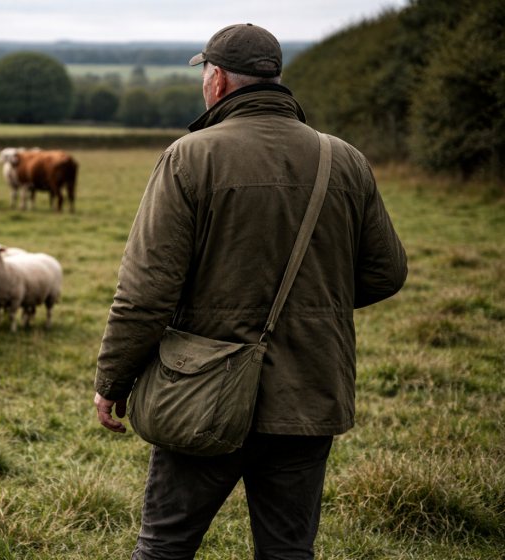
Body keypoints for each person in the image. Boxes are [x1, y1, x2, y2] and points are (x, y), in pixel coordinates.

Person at [92, 23, 407, 560]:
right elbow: (387, 272)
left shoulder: (190, 157)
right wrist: (316, 303)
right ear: (275, 80)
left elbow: (146, 291)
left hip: (202, 391)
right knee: (288, 550)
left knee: (165, 545)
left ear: (217, 80)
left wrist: (112, 379)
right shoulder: (344, 159)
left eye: (205, 74)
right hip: (310, 387)